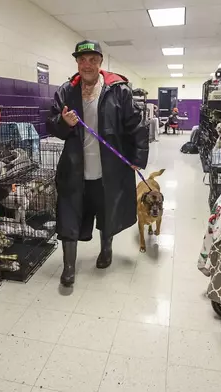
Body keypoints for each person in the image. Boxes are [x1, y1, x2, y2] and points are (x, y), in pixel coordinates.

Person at [46, 40, 149, 287]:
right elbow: (52, 125)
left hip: (109, 168)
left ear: (101, 61)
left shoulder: (118, 90)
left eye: (92, 59)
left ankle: (106, 250)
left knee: (107, 213)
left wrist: (137, 158)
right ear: (77, 63)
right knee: (68, 216)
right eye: (82, 60)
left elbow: (136, 126)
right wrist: (64, 124)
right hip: (75, 169)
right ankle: (69, 267)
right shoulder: (65, 91)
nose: (87, 65)